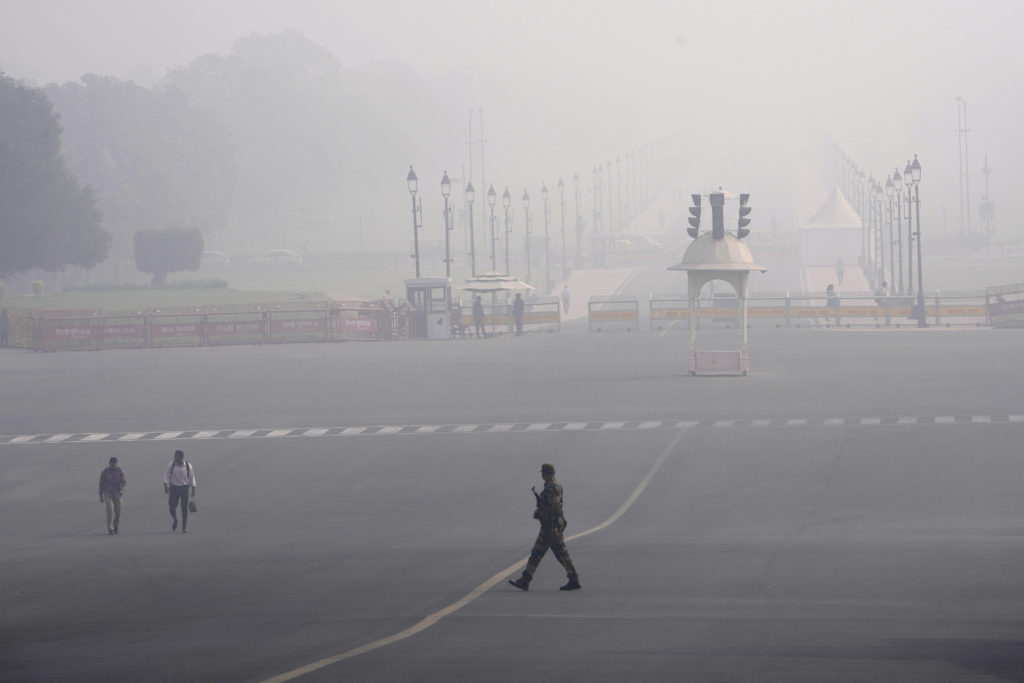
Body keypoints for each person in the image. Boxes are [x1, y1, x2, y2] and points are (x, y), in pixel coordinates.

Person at [509, 463, 581, 591]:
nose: (542, 475)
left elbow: (554, 507)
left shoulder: (551, 487)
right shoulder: (556, 486)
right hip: (554, 526)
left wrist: (553, 527)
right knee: (562, 553)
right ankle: (573, 578)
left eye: (543, 472)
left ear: (546, 473)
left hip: (550, 527)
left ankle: (525, 580)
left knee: (537, 553)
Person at [163, 449, 196, 532]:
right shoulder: (171, 465)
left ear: (181, 457)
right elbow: (166, 475)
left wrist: (193, 490)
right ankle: (175, 519)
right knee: (171, 507)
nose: (174, 458)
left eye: (176, 456)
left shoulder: (188, 466)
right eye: (174, 456)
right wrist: (165, 486)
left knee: (184, 509)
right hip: (174, 488)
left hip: (184, 488)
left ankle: (184, 528)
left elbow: (191, 478)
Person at [98, 456, 126, 535]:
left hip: (117, 494)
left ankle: (115, 524)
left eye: (115, 464)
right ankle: (110, 528)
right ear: (109, 464)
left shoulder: (119, 471)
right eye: (112, 464)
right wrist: (100, 496)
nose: (114, 466)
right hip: (108, 493)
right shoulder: (105, 472)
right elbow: (101, 484)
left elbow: (124, 482)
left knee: (118, 511)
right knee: (110, 510)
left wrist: (122, 489)